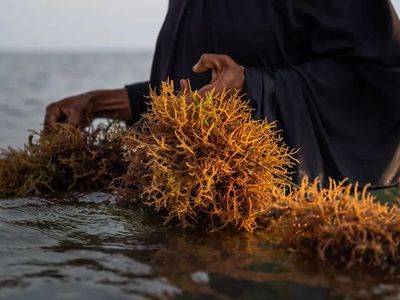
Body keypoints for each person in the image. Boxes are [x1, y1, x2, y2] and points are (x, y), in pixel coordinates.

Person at [44, 0, 400, 187]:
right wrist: (99, 102)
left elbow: (378, 80)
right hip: (190, 217)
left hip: (287, 224)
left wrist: (254, 86)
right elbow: (193, 88)